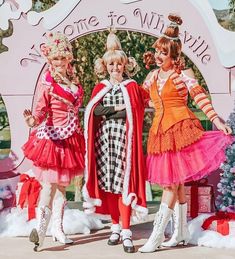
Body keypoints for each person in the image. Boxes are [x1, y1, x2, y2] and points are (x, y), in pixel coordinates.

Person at [138, 14, 233, 253]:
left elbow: (200, 98)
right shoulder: (152, 77)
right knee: (176, 183)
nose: (159, 57)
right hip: (160, 133)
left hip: (181, 129)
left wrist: (216, 121)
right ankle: (180, 232)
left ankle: (156, 236)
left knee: (170, 184)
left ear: (174, 56)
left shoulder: (183, 75)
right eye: (158, 52)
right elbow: (140, 99)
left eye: (164, 53)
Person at [82, 31, 149, 253]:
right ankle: (115, 226)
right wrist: (117, 109)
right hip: (104, 143)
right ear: (106, 66)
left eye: (118, 65)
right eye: (111, 65)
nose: (115, 69)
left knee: (124, 184)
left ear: (124, 65)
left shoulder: (131, 86)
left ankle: (127, 231)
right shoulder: (101, 87)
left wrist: (113, 112)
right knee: (109, 184)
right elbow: (94, 110)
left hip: (124, 143)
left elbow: (135, 111)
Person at [22, 32, 85, 251]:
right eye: (55, 59)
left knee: (62, 188)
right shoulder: (47, 84)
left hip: (70, 139)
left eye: (63, 58)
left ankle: (58, 229)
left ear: (68, 58)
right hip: (52, 140)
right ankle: (40, 231)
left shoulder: (74, 81)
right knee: (48, 186)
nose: (59, 62)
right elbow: (40, 111)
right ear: (51, 60)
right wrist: (32, 119)